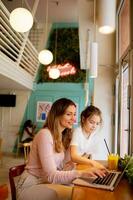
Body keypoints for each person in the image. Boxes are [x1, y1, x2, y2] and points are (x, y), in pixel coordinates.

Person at [16, 98, 106, 200]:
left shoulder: (61, 136)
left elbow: (58, 167)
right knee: (79, 194)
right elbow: (51, 175)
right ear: (57, 114)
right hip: (31, 185)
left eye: (74, 114)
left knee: (84, 189)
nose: (73, 119)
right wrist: (81, 173)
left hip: (46, 182)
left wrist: (72, 166)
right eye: (69, 114)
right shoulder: (45, 134)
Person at [70, 105, 106, 169]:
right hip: (68, 166)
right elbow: (74, 156)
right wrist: (92, 162)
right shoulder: (77, 132)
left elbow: (87, 154)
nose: (94, 126)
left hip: (77, 165)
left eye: (97, 123)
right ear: (83, 119)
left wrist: (80, 162)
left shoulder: (93, 134)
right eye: (92, 122)